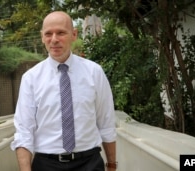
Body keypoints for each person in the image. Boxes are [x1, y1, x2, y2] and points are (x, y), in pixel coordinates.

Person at [11, 11, 117, 171]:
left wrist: (111, 165)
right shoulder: (30, 78)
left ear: (74, 34)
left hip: (89, 163)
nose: (54, 39)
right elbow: (24, 131)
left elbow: (106, 123)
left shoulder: (94, 72)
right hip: (46, 165)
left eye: (61, 32)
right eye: (48, 34)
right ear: (42, 37)